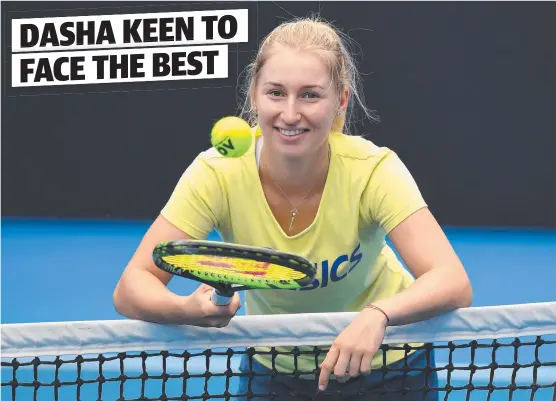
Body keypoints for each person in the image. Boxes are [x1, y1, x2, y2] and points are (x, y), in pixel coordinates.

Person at [113, 16, 472, 401]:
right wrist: (185, 309)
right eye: (275, 93)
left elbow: (452, 280)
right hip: (275, 367)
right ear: (254, 95)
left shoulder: (373, 170)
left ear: (341, 101)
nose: (289, 113)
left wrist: (378, 315)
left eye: (310, 95)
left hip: (388, 365)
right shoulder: (216, 174)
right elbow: (131, 287)